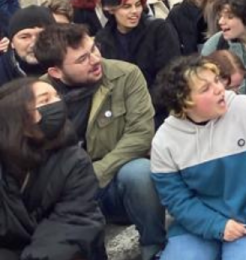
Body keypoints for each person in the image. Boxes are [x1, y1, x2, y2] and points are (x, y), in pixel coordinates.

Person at [35, 23, 165, 259]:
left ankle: (154, 247)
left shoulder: (126, 74)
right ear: (56, 72)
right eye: (82, 58)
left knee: (140, 172)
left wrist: (96, 172)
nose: (95, 59)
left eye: (94, 49)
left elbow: (141, 135)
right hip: (67, 191)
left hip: (112, 179)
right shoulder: (39, 95)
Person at [150, 55, 246, 260]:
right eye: (205, 89)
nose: (219, 89)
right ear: (184, 103)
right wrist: (216, 225)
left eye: (216, 80)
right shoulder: (165, 140)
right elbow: (176, 199)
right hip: (197, 225)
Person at [0, 77, 106, 259]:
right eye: (45, 100)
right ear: (18, 118)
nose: (57, 103)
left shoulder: (74, 161)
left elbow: (72, 223)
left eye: (56, 96)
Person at [95, 0, 181, 90]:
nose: (135, 11)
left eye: (138, 5)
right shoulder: (103, 38)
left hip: (157, 100)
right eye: (127, 7)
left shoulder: (160, 29)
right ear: (111, 9)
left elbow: (170, 75)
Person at [0, 6, 54, 86]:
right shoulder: (3, 72)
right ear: (12, 43)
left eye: (43, 35)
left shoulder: (69, 65)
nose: (34, 44)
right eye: (24, 37)